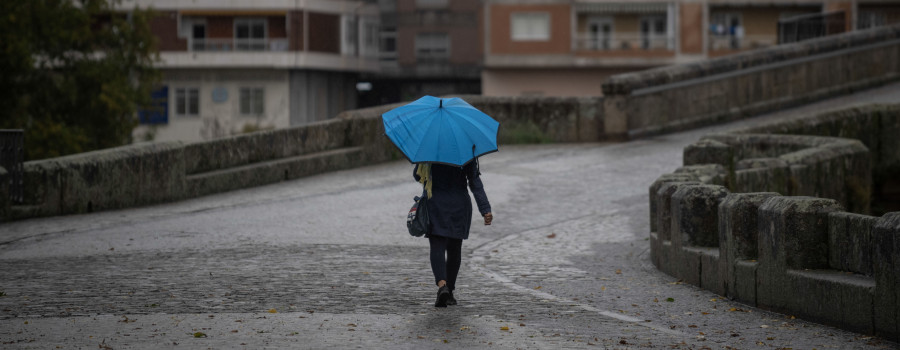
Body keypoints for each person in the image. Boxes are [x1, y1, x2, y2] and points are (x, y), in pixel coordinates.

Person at [413, 159, 492, 307]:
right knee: (454, 249)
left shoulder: (430, 150)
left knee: (437, 246)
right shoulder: (466, 151)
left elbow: (417, 176)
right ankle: (449, 292)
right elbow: (474, 181)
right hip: (459, 205)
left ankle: (442, 286)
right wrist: (485, 209)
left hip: (435, 203)